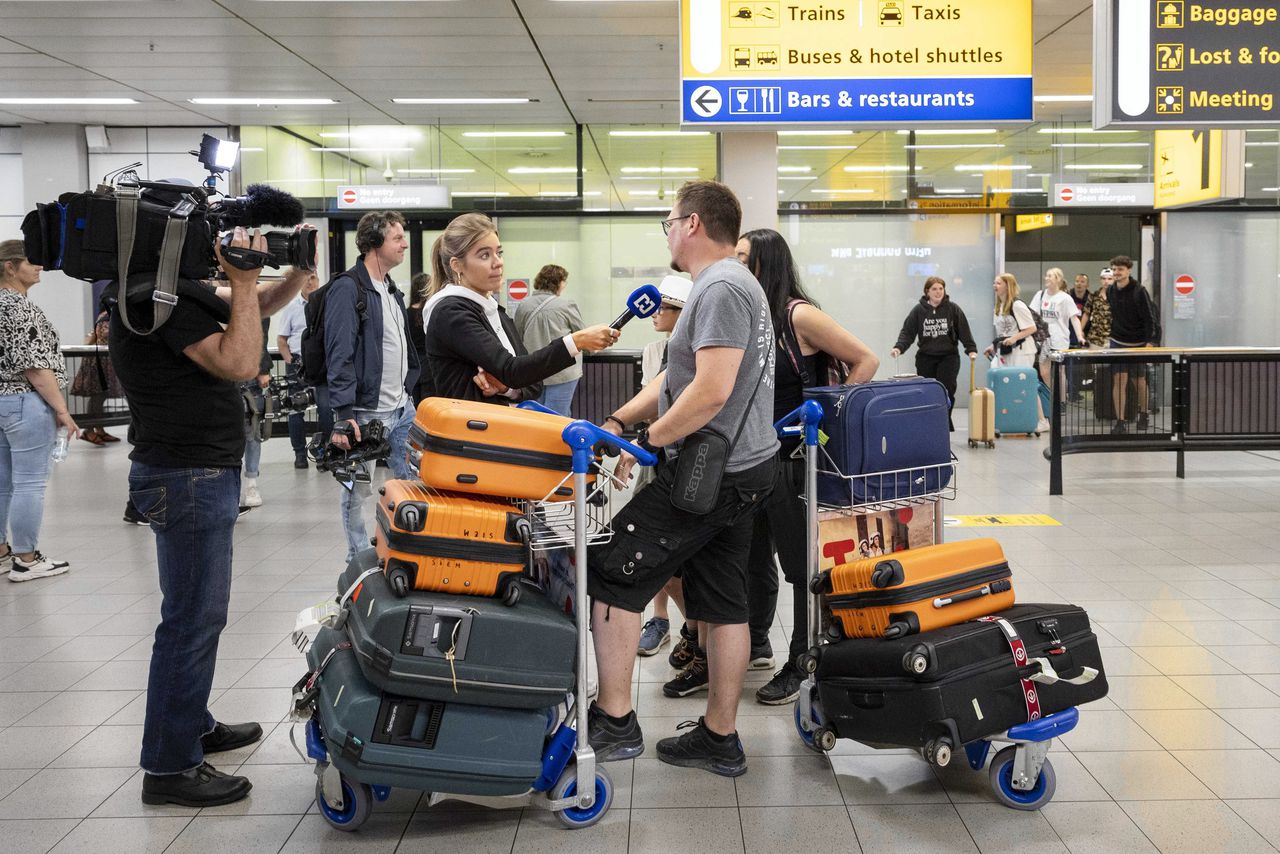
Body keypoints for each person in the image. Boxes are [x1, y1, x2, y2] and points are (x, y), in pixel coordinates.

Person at [109, 227, 310, 807]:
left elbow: (251, 310)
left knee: (196, 616)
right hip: (187, 474)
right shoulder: (154, 298)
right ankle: (169, 767)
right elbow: (242, 360)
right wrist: (244, 280)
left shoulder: (162, 292)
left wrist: (292, 273)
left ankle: (190, 723)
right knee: (192, 620)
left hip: (193, 471)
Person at [587, 180, 778, 778]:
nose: (667, 230)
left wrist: (647, 443)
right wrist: (623, 419)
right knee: (723, 602)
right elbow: (676, 377)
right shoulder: (728, 285)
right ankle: (721, 737)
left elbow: (711, 390)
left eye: (669, 220)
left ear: (692, 223)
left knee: (613, 569)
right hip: (743, 467)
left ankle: (615, 721)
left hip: (708, 473)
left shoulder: (720, 285)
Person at [734, 228, 878, 706]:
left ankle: (802, 660)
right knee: (753, 554)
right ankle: (756, 643)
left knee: (800, 568)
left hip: (795, 459)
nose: (736, 267)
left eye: (743, 259)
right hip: (754, 456)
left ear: (767, 265)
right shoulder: (753, 316)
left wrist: (829, 414)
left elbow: (865, 359)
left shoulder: (798, 314)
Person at [420, 213, 618, 405]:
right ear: (457, 265)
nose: (497, 262)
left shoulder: (494, 311)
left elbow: (532, 385)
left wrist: (505, 388)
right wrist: (577, 341)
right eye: (484, 255)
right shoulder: (451, 312)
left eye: (499, 252)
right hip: (469, 433)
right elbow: (513, 370)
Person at [324, 211, 421, 563]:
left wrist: (410, 382)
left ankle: (409, 547)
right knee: (357, 490)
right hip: (366, 411)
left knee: (412, 479)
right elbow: (340, 351)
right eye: (397, 238)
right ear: (375, 243)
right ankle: (358, 556)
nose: (404, 244)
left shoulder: (392, 289)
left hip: (402, 406)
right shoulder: (349, 288)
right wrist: (343, 413)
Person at [0, 239, 77, 582]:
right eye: (32, 262)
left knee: (3, 483)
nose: (40, 267)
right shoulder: (18, 308)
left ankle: (2, 553)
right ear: (9, 267)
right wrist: (61, 409)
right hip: (24, 402)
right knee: (30, 483)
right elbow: (35, 367)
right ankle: (27, 559)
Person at [637, 276, 691, 659]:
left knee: (680, 546)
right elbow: (648, 400)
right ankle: (660, 619)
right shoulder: (652, 350)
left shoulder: (694, 350)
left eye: (667, 307)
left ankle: (693, 623)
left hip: (686, 453)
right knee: (650, 539)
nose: (658, 312)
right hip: (652, 451)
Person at [889, 276, 978, 431]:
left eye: (941, 289)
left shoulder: (952, 309)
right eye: (934, 289)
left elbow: (964, 330)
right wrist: (899, 347)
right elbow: (908, 332)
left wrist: (971, 349)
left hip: (948, 357)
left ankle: (944, 421)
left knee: (946, 390)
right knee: (927, 391)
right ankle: (928, 423)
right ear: (927, 291)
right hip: (926, 357)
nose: (938, 292)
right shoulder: (918, 310)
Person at [512, 264, 586, 416]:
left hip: (533, 372)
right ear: (558, 282)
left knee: (535, 416)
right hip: (563, 372)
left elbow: (516, 338)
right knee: (559, 416)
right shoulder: (566, 305)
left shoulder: (523, 306)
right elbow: (582, 335)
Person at [276, 270, 331, 468]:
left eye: (313, 278)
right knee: (296, 411)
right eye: (306, 278)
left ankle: (323, 452)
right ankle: (299, 453)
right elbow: (281, 340)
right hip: (298, 363)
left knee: (325, 410)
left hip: (321, 364)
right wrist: (290, 361)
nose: (310, 282)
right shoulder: (291, 307)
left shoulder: (326, 305)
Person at [981, 273, 1046, 426]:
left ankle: (1042, 420)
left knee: (1026, 384)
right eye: (994, 283)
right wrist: (993, 345)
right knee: (1006, 383)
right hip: (1007, 350)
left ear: (1007, 286)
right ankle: (1015, 418)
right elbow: (1002, 333)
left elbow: (1031, 328)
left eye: (998, 283)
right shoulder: (998, 306)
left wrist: (1014, 338)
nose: (995, 286)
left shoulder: (1017, 305)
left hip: (1023, 350)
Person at [1105, 255, 1159, 434]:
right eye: (1114, 269)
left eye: (1120, 269)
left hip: (1137, 343)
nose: (1116, 272)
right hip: (1118, 341)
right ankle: (1120, 420)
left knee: (1139, 380)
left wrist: (1151, 341)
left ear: (1129, 270)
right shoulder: (1111, 290)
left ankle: (1144, 414)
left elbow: (1149, 318)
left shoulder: (1139, 291)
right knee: (1119, 380)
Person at [1031, 268, 1085, 421]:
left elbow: (1074, 318)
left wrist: (1080, 336)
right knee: (1044, 372)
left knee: (1059, 372)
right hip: (1043, 339)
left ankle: (1061, 401)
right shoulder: (1040, 295)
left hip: (1059, 339)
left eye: (1050, 276)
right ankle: (1051, 398)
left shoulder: (1065, 298)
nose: (1047, 278)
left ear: (1058, 279)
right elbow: (1033, 315)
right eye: (1046, 275)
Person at [71, 292, 123, 446]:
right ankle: (88, 430)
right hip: (98, 363)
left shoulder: (107, 315)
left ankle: (99, 429)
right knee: (97, 396)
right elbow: (106, 334)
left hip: (103, 362)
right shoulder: (107, 316)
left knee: (101, 396)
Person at [239, 320, 272, 509]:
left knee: (252, 431)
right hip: (222, 367)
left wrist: (263, 368)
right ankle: (232, 483)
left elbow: (260, 333)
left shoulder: (253, 295)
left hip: (249, 371)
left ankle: (251, 483)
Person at [406, 272, 435, 404]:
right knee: (428, 405)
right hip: (429, 364)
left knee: (414, 405)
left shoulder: (405, 313)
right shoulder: (431, 312)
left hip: (410, 364)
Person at [1082, 268, 1114, 349]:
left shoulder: (1118, 296)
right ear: (1100, 280)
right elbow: (1086, 313)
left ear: (1114, 279)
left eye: (1109, 279)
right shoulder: (1094, 295)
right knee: (1094, 360)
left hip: (1112, 337)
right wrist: (1080, 331)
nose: (1106, 281)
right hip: (1095, 337)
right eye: (1104, 278)